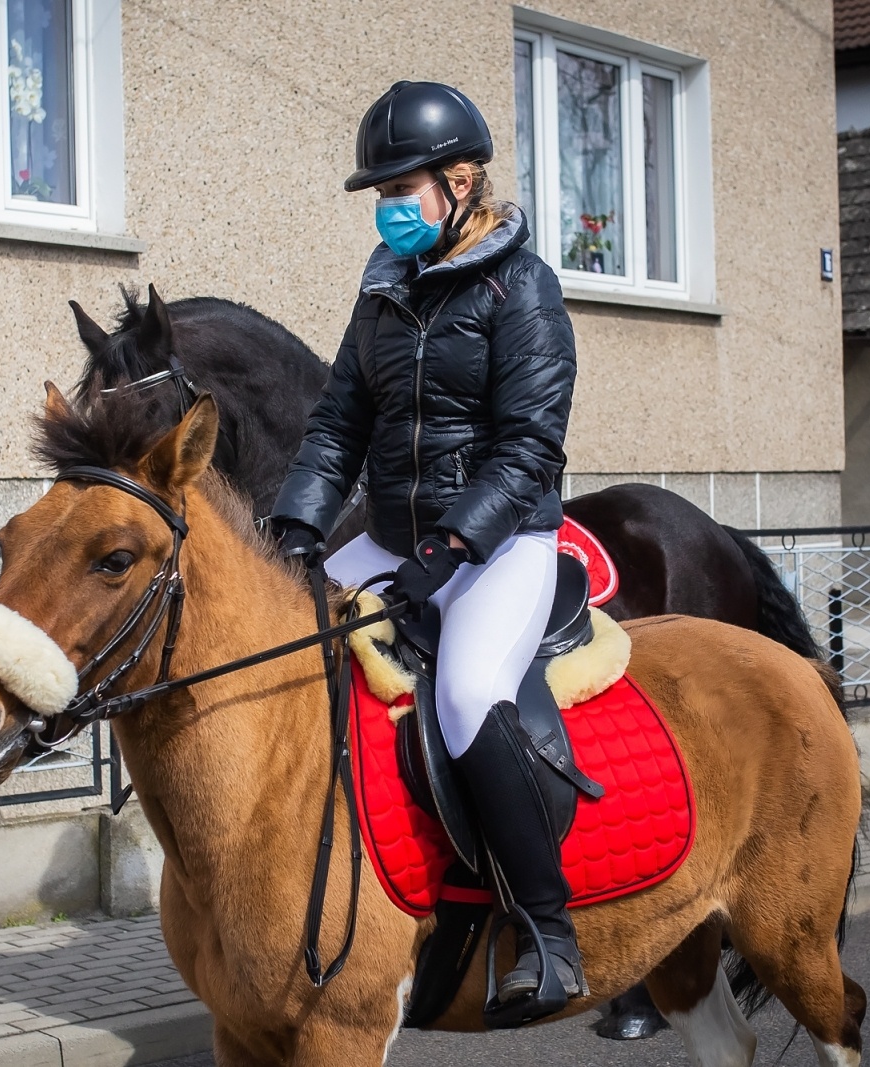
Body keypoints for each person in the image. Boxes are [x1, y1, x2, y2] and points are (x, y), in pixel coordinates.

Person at [271, 81, 580, 1024]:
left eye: (403, 187)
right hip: (392, 539)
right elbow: (337, 424)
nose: (389, 207)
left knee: (464, 692)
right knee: (282, 642)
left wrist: (450, 548)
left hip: (498, 543)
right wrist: (292, 526)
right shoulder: (382, 290)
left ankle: (547, 931)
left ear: (461, 181)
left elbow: (530, 446)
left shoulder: (520, 285)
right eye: (381, 192)